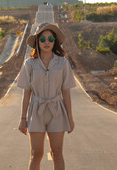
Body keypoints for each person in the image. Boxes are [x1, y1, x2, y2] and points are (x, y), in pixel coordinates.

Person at [17, 22, 76, 170]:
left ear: (55, 41)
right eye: (42, 39)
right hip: (36, 111)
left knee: (57, 153)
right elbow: (26, 92)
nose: (47, 42)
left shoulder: (62, 63)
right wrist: (23, 119)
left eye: (50, 39)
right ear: (37, 42)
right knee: (36, 154)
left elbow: (66, 91)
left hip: (57, 111)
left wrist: (70, 117)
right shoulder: (29, 64)